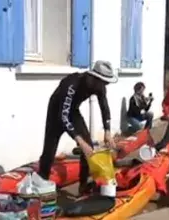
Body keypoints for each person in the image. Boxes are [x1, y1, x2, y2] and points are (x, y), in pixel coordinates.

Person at [35, 60, 118, 195]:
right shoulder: (72, 83)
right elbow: (63, 116)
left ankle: (83, 185)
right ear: (94, 78)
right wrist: (80, 142)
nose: (105, 85)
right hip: (56, 111)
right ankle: (42, 180)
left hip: (72, 112)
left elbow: (104, 107)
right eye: (104, 82)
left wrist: (107, 131)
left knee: (89, 149)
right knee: (49, 150)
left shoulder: (99, 86)